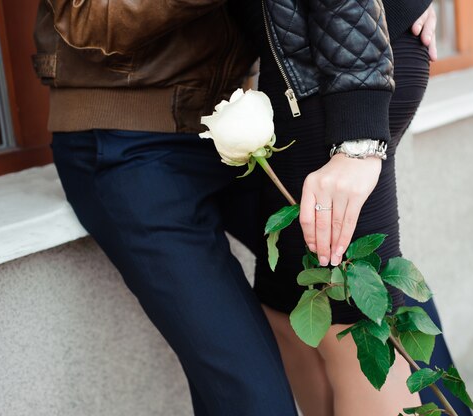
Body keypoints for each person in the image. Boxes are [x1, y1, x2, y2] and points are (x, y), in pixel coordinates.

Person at [31, 2, 299, 415]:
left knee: (377, 301)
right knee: (253, 398)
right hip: (126, 137)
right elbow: (86, 17)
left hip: (239, 122)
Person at [229, 1, 473, 415]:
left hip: (331, 91)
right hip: (322, 76)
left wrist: (357, 142)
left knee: (354, 329)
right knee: (289, 310)